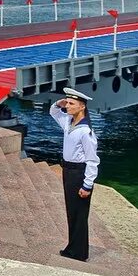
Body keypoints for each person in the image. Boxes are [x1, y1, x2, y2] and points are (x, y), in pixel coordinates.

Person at [50, 88, 99, 262]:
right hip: (68, 171)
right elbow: (54, 112)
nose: (67, 106)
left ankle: (78, 252)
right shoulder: (69, 123)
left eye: (71, 104)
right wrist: (59, 103)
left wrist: (87, 185)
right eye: (67, 102)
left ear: (82, 107)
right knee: (72, 212)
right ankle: (74, 248)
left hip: (79, 173)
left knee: (79, 213)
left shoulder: (86, 132)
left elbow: (93, 161)